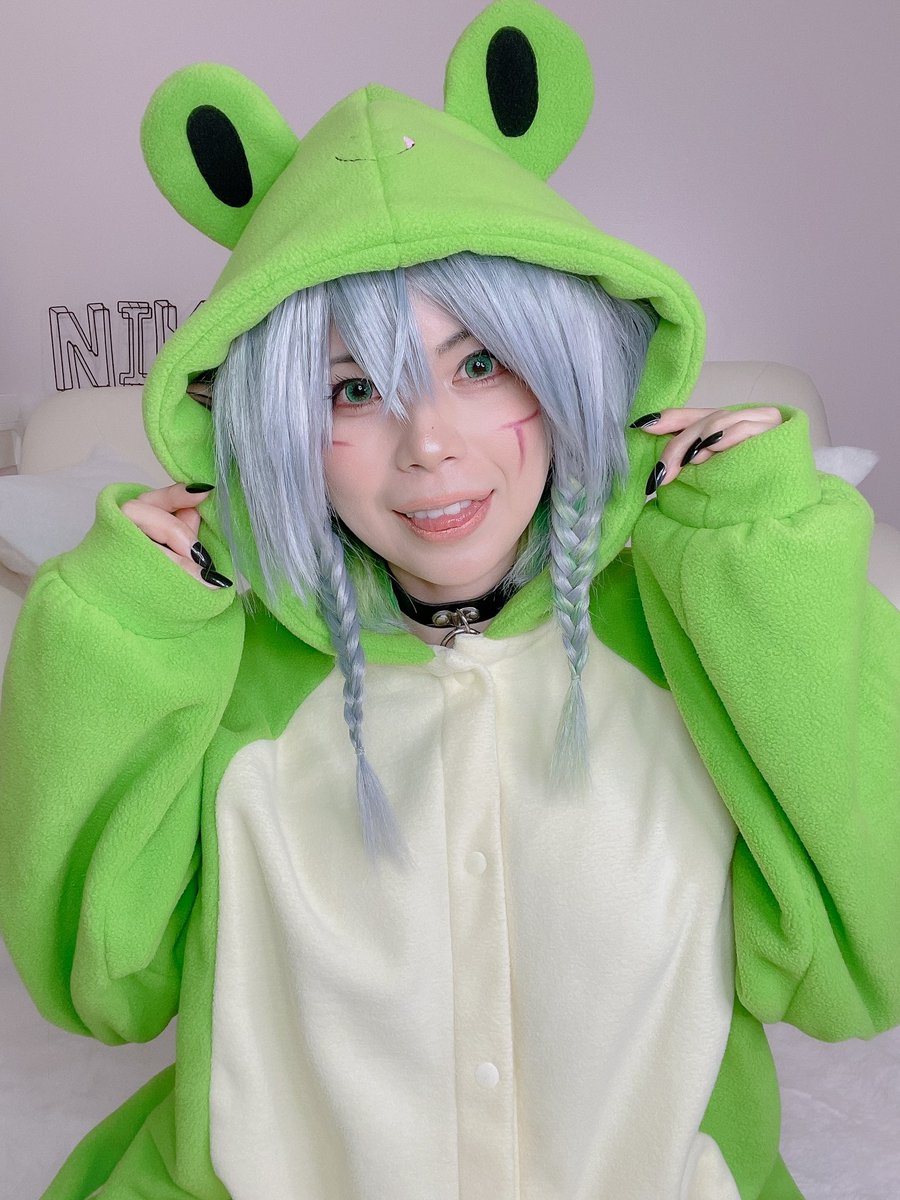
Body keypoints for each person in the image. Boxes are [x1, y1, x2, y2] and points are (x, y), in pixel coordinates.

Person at [1, 2, 898, 1197]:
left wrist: (768, 562)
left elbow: (863, 963)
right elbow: (105, 989)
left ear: (568, 368)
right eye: (352, 390)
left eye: (482, 363)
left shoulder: (696, 632)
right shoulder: (219, 677)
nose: (430, 444)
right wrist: (118, 637)